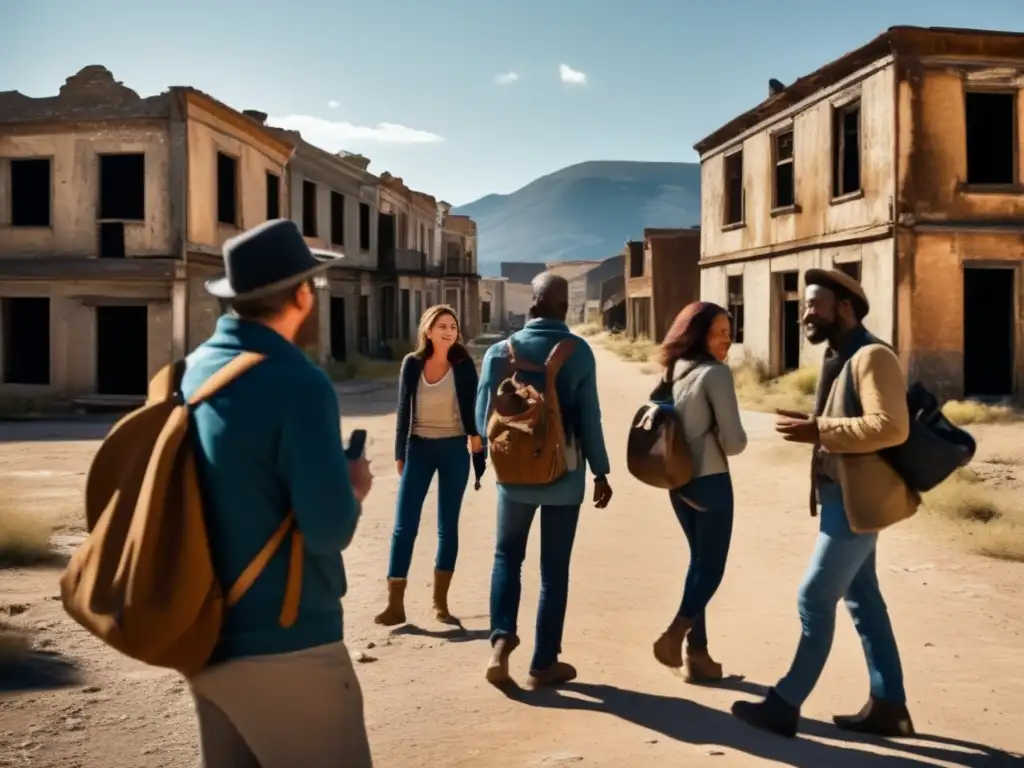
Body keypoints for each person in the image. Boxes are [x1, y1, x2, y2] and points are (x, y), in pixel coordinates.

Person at [181, 219, 375, 768]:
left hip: (205, 638)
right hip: (287, 644)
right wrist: (353, 487)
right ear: (300, 293)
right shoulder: (298, 382)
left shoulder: (193, 372)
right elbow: (327, 527)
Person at [732, 268, 917, 739]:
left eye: (814, 305)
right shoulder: (842, 356)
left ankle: (784, 703)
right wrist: (816, 422)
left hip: (857, 504)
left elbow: (892, 427)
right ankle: (889, 706)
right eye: (804, 305)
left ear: (846, 308)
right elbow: (850, 420)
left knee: (815, 597)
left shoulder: (872, 356)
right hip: (843, 498)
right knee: (863, 598)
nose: (804, 314)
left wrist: (821, 430)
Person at [476, 272, 613, 689]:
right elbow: (590, 417)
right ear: (564, 310)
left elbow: (484, 418)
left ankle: (500, 645)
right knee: (554, 571)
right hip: (564, 475)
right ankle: (543, 662)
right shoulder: (578, 352)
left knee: (506, 558)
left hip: (514, 476)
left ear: (532, 306)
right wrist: (600, 470)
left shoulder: (499, 351)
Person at [652, 302, 747, 682]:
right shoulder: (715, 374)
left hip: (677, 483)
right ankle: (674, 635)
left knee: (698, 564)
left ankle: (700, 656)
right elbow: (736, 441)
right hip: (710, 482)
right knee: (712, 567)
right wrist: (719, 436)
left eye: (729, 331)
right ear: (699, 334)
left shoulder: (674, 370)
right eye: (719, 332)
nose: (727, 340)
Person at [374, 304, 484, 627]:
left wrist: (477, 442)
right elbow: (401, 410)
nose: (449, 331)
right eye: (442, 326)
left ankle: (440, 603)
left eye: (453, 326)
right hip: (418, 448)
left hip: (453, 450)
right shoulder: (412, 364)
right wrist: (400, 453)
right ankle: (395, 604)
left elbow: (475, 408)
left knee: (446, 527)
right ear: (428, 330)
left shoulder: (463, 365)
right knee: (403, 525)